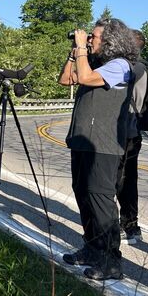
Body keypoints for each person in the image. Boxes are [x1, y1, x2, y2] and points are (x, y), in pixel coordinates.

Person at [58, 18, 139, 281]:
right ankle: (92, 249)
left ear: (111, 40)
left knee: (101, 200)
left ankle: (111, 262)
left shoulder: (120, 66)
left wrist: (82, 49)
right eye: (88, 37)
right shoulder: (95, 64)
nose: (89, 40)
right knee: (83, 195)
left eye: (93, 37)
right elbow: (65, 80)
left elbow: (85, 78)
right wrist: (74, 54)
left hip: (104, 145)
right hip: (83, 140)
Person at [116, 29, 148, 244]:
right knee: (126, 180)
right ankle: (129, 225)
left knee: (122, 180)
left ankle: (129, 225)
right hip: (130, 132)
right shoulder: (140, 67)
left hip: (126, 131)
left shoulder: (133, 68)